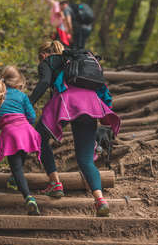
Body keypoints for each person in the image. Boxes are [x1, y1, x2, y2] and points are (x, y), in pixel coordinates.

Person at [29, 40, 120, 217]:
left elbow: (44, 82)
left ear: (42, 55)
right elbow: (103, 89)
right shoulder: (79, 61)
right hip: (91, 104)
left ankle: (55, 183)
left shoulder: (48, 61)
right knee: (85, 160)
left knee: (39, 138)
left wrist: (29, 102)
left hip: (66, 101)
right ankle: (100, 200)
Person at [0, 66, 41, 215]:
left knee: (16, 167)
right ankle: (14, 180)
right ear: (18, 82)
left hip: (10, 133)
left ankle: (28, 197)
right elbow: (31, 117)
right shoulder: (22, 96)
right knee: (20, 156)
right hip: (26, 131)